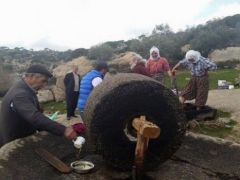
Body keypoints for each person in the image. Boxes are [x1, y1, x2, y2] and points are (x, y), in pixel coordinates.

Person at [0, 65, 77, 147]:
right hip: (14, 140)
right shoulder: (20, 94)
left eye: (46, 82)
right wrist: (63, 130)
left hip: (20, 134)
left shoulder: (23, 87)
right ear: (31, 76)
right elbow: (34, 117)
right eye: (43, 81)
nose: (44, 85)